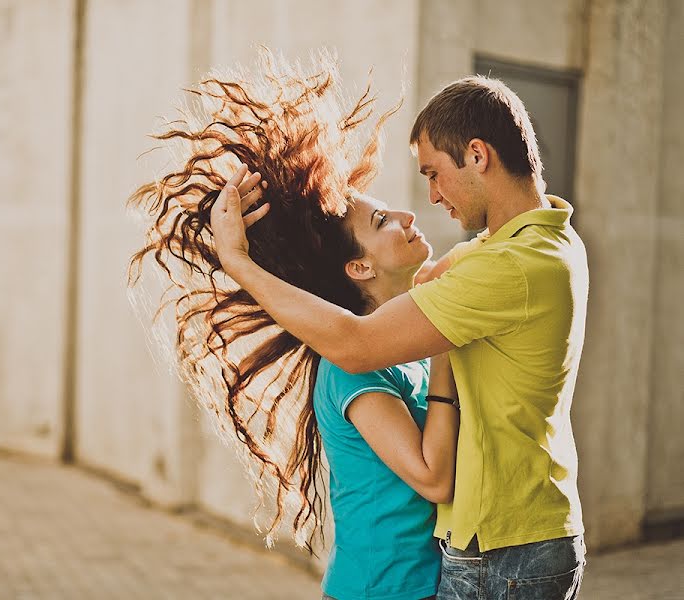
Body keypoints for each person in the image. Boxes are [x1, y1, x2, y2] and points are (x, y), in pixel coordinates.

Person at [210, 75, 589, 600]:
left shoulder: (506, 266)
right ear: (359, 265)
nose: (428, 199)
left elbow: (361, 338)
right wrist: (241, 256)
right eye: (385, 218)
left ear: (477, 155)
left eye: (435, 174)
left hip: (504, 548)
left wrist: (239, 263)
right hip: (427, 572)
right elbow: (360, 339)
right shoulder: (544, 241)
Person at [128, 51, 461, 600]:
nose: (407, 216)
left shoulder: (406, 346)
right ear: (360, 268)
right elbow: (432, 477)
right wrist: (451, 344)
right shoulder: (353, 368)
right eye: (383, 222)